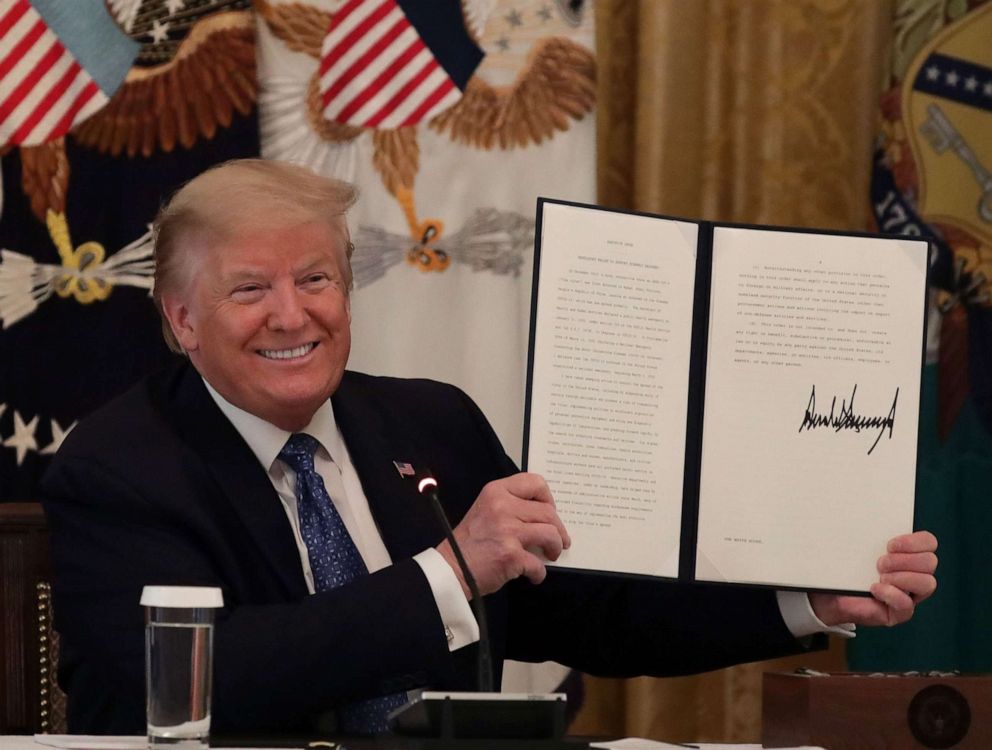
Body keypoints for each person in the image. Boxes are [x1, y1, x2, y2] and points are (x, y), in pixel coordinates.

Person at [41, 159, 938, 736]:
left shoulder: (430, 422)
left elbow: (587, 612)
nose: (292, 313)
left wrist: (804, 594)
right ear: (182, 318)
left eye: (316, 278)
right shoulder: (118, 467)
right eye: (250, 289)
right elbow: (209, 683)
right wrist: (450, 572)